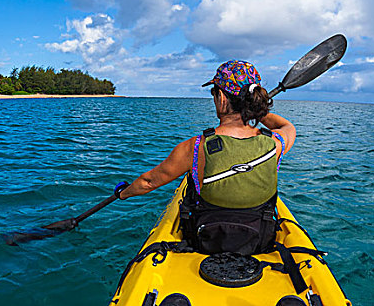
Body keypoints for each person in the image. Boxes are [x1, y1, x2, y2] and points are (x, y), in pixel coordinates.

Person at [114, 60, 296, 255]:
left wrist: (123, 193)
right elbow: (288, 127)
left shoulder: (195, 147)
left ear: (222, 98)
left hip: (206, 242)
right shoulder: (274, 144)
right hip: (258, 242)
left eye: (214, 93)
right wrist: (256, 113)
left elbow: (148, 182)